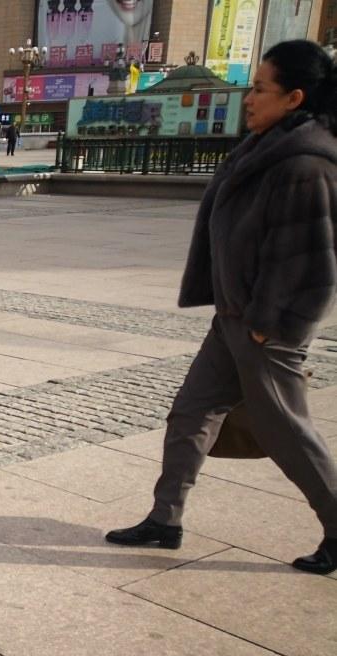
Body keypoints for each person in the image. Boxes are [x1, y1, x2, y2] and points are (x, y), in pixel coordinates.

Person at [105, 40, 337, 575]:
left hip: (265, 329)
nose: (249, 98)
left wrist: (266, 327)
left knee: (289, 434)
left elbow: (316, 270)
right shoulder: (266, 147)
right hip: (233, 320)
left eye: (260, 89)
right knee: (191, 412)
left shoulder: (306, 163)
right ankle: (165, 520)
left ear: (294, 97)